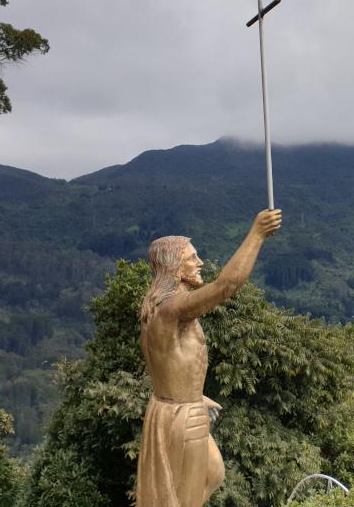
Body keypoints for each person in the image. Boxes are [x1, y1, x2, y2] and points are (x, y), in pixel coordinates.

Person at [136, 209, 282, 507]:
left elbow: (165, 366)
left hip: (180, 407)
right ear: (175, 267)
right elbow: (226, 286)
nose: (200, 262)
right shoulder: (170, 310)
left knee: (213, 473)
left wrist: (194, 396)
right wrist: (257, 235)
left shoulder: (157, 309)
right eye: (192, 258)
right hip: (181, 416)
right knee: (187, 498)